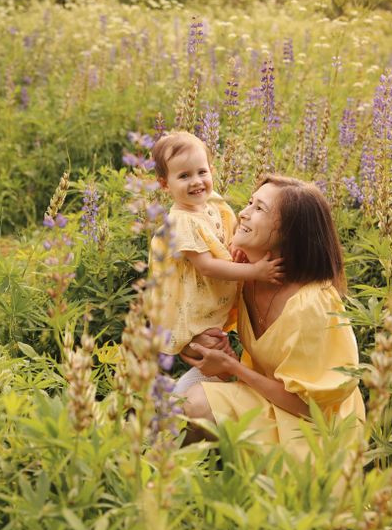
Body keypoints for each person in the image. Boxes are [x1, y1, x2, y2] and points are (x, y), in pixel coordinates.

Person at [179, 174, 365, 458]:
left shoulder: (311, 306)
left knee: (196, 403)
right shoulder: (248, 274)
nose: (243, 213)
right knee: (172, 399)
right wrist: (205, 345)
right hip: (269, 400)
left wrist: (232, 366)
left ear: (289, 234)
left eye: (259, 209)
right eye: (250, 203)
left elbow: (307, 407)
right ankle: (153, 482)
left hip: (314, 429)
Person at [149, 131, 283, 391]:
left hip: (213, 306)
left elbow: (226, 235)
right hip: (195, 314)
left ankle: (191, 404)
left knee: (223, 361)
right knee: (220, 364)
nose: (196, 182)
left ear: (212, 170)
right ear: (165, 184)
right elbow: (207, 266)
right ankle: (177, 407)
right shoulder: (180, 221)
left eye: (201, 172)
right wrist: (255, 270)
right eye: (184, 176)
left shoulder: (211, 204)